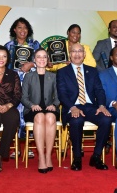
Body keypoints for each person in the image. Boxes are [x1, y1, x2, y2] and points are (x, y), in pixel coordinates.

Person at [56, 43, 112, 171]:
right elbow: (62, 94)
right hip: (72, 107)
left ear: (84, 54)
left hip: (90, 106)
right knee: (77, 120)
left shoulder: (92, 71)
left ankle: (96, 156)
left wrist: (102, 105)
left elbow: (99, 90)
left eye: (80, 51)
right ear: (70, 54)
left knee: (106, 119)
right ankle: (77, 158)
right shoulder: (62, 72)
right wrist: (72, 107)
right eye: (74, 51)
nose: (77, 54)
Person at [46, 24, 96, 157]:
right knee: (70, 114)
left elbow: (92, 65)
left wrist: (75, 62)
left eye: (78, 33)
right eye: (73, 32)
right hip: (65, 85)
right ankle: (65, 148)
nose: (75, 35)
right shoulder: (58, 46)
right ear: (67, 33)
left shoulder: (84, 48)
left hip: (82, 87)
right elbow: (51, 67)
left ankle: (81, 149)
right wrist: (57, 65)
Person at [4, 17, 41, 159]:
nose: (22, 30)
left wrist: (31, 64)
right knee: (15, 114)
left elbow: (42, 60)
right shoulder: (8, 46)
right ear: (14, 30)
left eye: (25, 28)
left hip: (31, 83)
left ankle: (29, 147)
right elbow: (3, 65)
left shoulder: (35, 45)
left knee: (29, 112)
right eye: (19, 27)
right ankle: (16, 148)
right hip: (12, 84)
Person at [21, 48, 60, 173]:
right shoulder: (28, 76)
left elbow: (59, 96)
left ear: (47, 59)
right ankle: (41, 157)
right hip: (31, 110)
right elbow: (23, 97)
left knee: (50, 117)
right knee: (39, 117)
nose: (42, 59)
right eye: (39, 57)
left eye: (44, 57)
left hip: (50, 109)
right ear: (34, 60)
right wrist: (32, 105)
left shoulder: (53, 76)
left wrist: (54, 105)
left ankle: (48, 156)